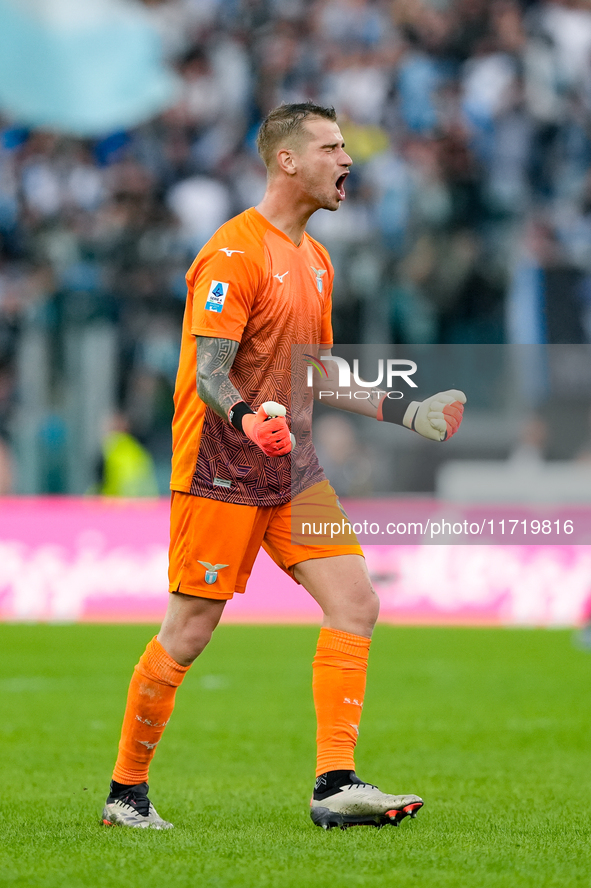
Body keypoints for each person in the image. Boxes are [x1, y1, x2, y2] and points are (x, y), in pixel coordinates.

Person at [101, 102, 465, 831]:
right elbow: (210, 370)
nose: (347, 159)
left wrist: (407, 411)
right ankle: (126, 793)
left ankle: (334, 784)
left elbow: (319, 371)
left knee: (355, 602)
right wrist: (246, 416)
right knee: (190, 631)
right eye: (331, 146)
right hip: (221, 469)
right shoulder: (233, 251)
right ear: (288, 161)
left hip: (292, 472)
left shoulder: (317, 259)